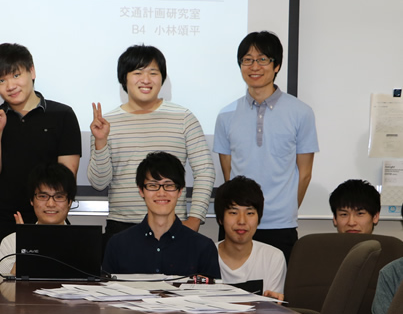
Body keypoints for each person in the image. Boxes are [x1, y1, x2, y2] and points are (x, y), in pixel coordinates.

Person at [89, 45, 215, 247]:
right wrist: (101, 141)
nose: (146, 80)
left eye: (153, 73)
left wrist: (194, 219)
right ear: (124, 78)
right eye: (138, 73)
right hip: (122, 227)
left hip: (171, 226)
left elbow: (205, 172)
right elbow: (98, 182)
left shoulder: (183, 118)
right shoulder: (106, 122)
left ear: (162, 78)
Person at [0, 43, 81, 273]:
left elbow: (66, 179)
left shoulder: (63, 115)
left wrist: (48, 217)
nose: (10, 85)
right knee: (1, 299)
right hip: (1, 224)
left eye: (16, 75)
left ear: (32, 71)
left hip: (50, 222)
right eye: (1, 81)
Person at [213, 31, 319, 261]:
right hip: (236, 225)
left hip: (280, 226)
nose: (254, 66)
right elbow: (229, 173)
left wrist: (284, 210)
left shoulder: (301, 113)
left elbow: (305, 174)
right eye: (247, 60)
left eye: (263, 59)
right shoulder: (226, 115)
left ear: (277, 65)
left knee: (278, 294)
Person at [102, 151, 220, 277]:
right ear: (141, 190)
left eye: (169, 185)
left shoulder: (203, 247)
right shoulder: (118, 245)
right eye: (153, 185)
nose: (161, 193)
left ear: (180, 191)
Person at [0, 162, 76, 275]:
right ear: (32, 201)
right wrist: (25, 245)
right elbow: (3, 289)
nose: (51, 204)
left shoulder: (83, 243)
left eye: (59, 197)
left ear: (70, 202)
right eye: (43, 196)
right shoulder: (11, 242)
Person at [215, 176, 286, 300]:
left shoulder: (273, 257)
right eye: (233, 213)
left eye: (250, 213)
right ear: (221, 218)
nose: (242, 221)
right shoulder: (205, 255)